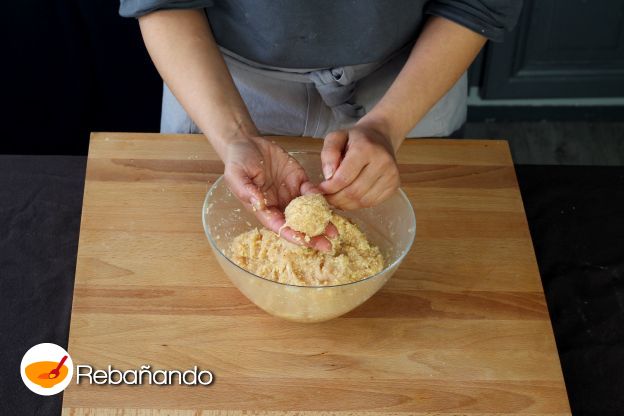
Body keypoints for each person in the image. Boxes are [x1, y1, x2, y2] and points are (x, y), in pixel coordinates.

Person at [121, 0, 522, 251]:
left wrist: (388, 125)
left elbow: (476, 4)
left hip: (411, 78)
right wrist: (236, 138)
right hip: (220, 86)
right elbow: (164, 2)